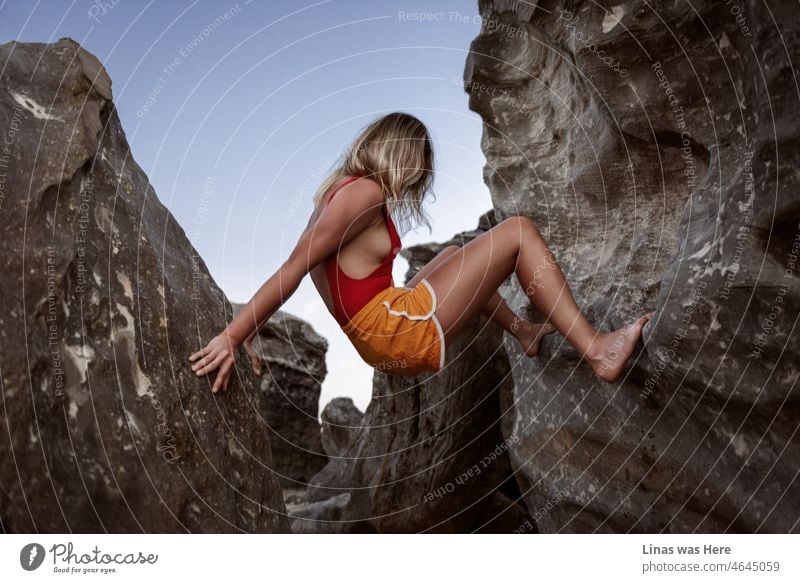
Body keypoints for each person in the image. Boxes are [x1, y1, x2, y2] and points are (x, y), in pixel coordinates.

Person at [189, 112, 653, 392]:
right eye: (419, 168)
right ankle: (597, 350)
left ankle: (525, 333)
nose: (417, 181)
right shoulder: (366, 194)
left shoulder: (336, 194)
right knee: (518, 232)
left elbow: (305, 268)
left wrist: (252, 322)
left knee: (453, 254)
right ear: (402, 155)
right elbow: (294, 270)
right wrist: (234, 333)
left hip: (377, 333)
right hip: (393, 331)